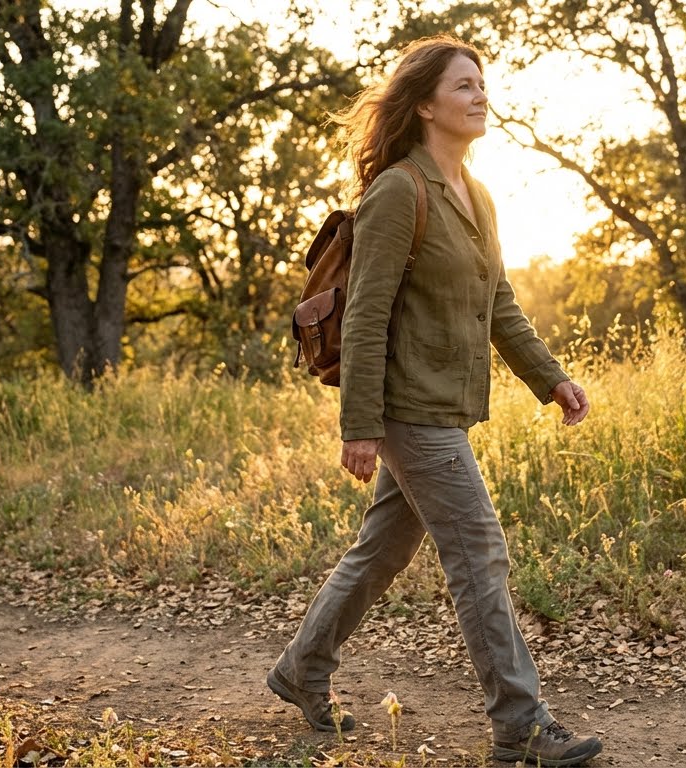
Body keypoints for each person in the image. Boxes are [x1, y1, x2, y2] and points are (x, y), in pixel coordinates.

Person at [267, 35, 603, 767]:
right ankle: (520, 722)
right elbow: (363, 314)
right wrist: (357, 424)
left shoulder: (477, 194)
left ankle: (300, 669)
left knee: (379, 553)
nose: (480, 94)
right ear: (423, 105)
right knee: (478, 552)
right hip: (407, 410)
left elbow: (500, 304)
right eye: (462, 86)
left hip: (443, 407)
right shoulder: (398, 190)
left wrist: (549, 378)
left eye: (481, 83)